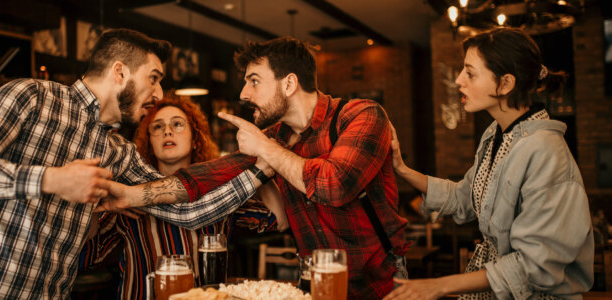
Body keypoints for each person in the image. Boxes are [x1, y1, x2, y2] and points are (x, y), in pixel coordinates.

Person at [0, 29, 272, 299]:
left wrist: (261, 168)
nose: (158, 93)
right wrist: (50, 179)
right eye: (153, 78)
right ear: (120, 71)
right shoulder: (31, 96)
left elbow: (187, 211)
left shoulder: (119, 151)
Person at [97, 37, 409, 299]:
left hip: (381, 288)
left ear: (288, 83)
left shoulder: (360, 115)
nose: (244, 94)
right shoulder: (275, 137)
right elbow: (205, 177)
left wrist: (264, 149)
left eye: (254, 81)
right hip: (316, 288)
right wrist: (130, 195)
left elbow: (333, 186)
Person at [384, 28, 593, 300]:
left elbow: (537, 266)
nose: (459, 80)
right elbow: (464, 197)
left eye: (470, 73)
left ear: (505, 84)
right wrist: (401, 168)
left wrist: (439, 285)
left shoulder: (545, 151)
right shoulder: (496, 134)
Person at [80, 96, 289, 299]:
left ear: (195, 138)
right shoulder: (130, 192)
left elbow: (279, 220)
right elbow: (88, 254)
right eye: (158, 127)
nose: (167, 131)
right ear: (149, 142)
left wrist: (258, 161)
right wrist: (91, 202)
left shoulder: (220, 191)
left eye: (177, 124)